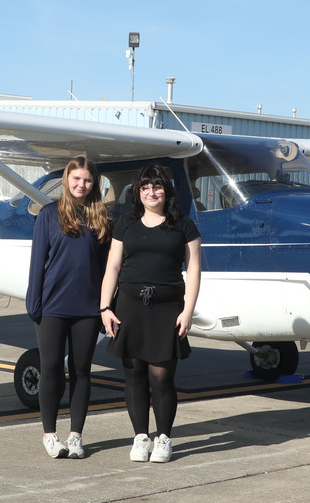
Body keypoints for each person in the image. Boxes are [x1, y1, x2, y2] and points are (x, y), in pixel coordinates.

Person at [100, 164, 201, 463]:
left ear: (165, 190)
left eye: (156, 187)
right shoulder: (125, 224)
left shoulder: (184, 225)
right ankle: (140, 437)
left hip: (167, 308)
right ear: (138, 192)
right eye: (145, 187)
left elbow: (193, 270)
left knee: (161, 377)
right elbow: (113, 267)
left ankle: (164, 438)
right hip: (129, 306)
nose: (151, 192)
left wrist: (188, 310)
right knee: (133, 375)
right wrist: (105, 307)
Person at [26, 156, 110, 459]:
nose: (81, 185)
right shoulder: (49, 214)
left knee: (81, 372)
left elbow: (105, 269)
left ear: (94, 183)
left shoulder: (100, 218)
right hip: (52, 306)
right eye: (76, 179)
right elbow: (38, 263)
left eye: (87, 180)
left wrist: (104, 308)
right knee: (50, 370)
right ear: (67, 180)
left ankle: (76, 436)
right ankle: (50, 434)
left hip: (87, 308)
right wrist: (33, 303)